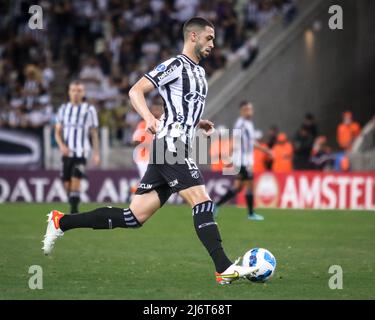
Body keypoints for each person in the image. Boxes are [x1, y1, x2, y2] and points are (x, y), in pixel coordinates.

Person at [42, 17, 259, 285]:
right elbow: (136, 91)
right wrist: (148, 118)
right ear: (193, 36)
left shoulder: (200, 73)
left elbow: (180, 106)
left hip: (176, 145)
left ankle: (61, 222)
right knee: (202, 201)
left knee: (133, 217)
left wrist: (196, 122)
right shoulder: (175, 65)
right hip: (170, 145)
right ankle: (223, 268)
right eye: (209, 38)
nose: (213, 44)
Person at [214, 101, 272, 221]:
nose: (249, 111)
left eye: (250, 108)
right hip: (242, 161)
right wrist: (227, 156)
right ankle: (251, 214)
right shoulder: (241, 124)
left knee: (238, 187)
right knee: (249, 186)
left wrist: (265, 150)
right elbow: (234, 140)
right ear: (241, 111)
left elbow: (251, 142)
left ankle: (215, 205)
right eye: (246, 109)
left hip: (244, 161)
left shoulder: (249, 124)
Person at [54, 80, 101, 214]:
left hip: (82, 152)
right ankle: (73, 201)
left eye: (79, 90)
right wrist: (61, 146)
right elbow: (57, 132)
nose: (76, 93)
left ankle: (74, 211)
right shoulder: (63, 109)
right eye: (73, 90)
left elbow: (94, 132)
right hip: (66, 152)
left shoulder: (89, 109)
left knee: (76, 180)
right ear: (69, 92)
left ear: (83, 93)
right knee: (67, 184)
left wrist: (96, 153)